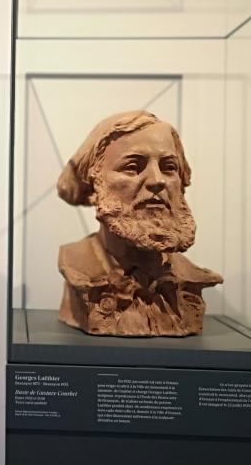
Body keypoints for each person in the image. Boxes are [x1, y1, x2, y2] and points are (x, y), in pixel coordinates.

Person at [55, 111, 221, 336]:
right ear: (96, 184)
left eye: (169, 167)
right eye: (133, 167)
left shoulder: (191, 279)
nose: (157, 180)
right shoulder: (79, 269)